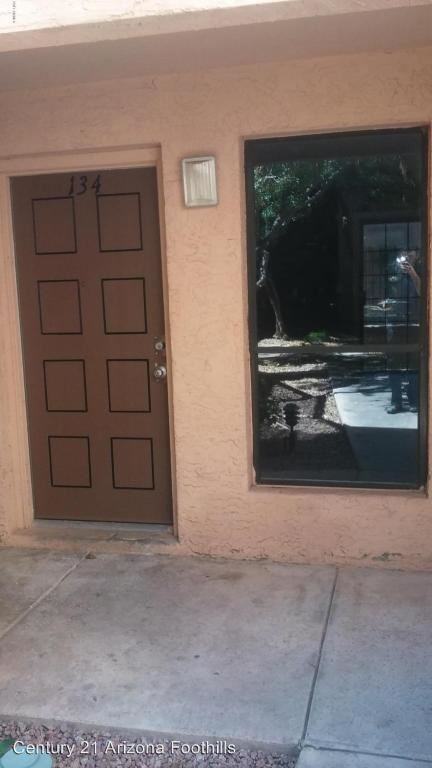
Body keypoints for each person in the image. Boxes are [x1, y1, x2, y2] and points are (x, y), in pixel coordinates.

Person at [387, 249, 420, 414]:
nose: (406, 256)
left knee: (413, 364)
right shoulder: (394, 271)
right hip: (396, 324)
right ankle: (396, 402)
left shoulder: (422, 271)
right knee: (394, 364)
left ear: (417, 255)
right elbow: (389, 295)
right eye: (404, 253)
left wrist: (412, 272)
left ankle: (414, 400)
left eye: (410, 253)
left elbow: (424, 292)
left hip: (415, 324)